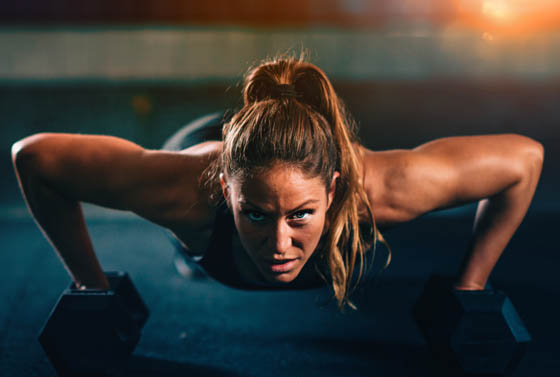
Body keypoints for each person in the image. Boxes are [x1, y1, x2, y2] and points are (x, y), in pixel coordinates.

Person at [11, 54, 544, 310]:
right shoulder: (183, 191)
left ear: (333, 192)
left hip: (289, 154)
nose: (281, 245)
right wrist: (91, 286)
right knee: (190, 241)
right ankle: (204, 239)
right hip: (205, 146)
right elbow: (33, 157)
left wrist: (470, 287)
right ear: (227, 193)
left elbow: (524, 159)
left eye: (301, 216)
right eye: (258, 216)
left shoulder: (378, 190)